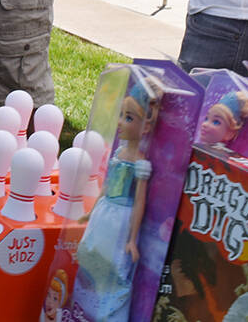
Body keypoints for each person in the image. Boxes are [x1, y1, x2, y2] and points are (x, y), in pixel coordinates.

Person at [71, 76, 160, 321]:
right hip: (104, 213)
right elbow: (108, 183)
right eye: (121, 114)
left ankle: (107, 313)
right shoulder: (119, 152)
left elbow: (140, 201)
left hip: (121, 220)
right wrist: (94, 209)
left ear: (147, 126)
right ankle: (83, 305)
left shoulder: (141, 163)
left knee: (115, 267)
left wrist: (132, 239)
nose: (120, 122)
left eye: (129, 117)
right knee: (91, 254)